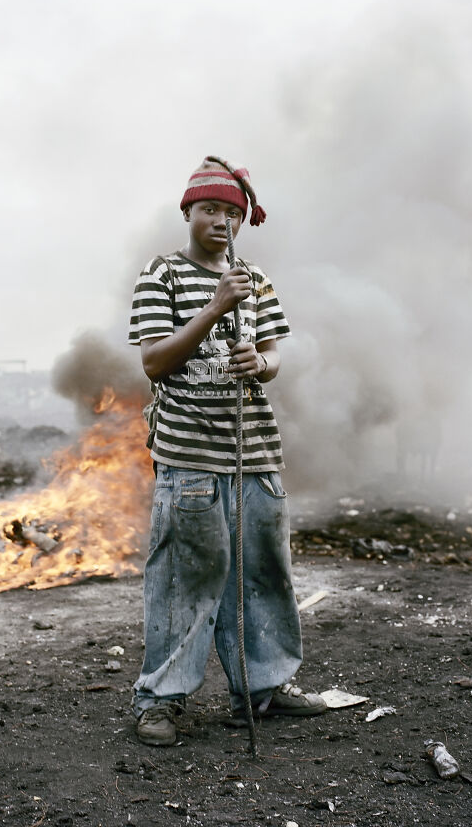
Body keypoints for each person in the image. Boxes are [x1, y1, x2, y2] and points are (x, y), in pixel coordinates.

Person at [128, 156, 325, 746]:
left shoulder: (257, 280)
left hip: (256, 455)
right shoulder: (161, 274)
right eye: (209, 209)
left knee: (264, 574)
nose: (220, 220)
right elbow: (154, 361)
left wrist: (258, 363)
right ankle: (160, 700)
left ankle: (263, 689)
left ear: (243, 221)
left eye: (231, 212)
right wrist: (215, 306)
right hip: (189, 458)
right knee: (185, 579)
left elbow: (274, 356)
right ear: (187, 212)